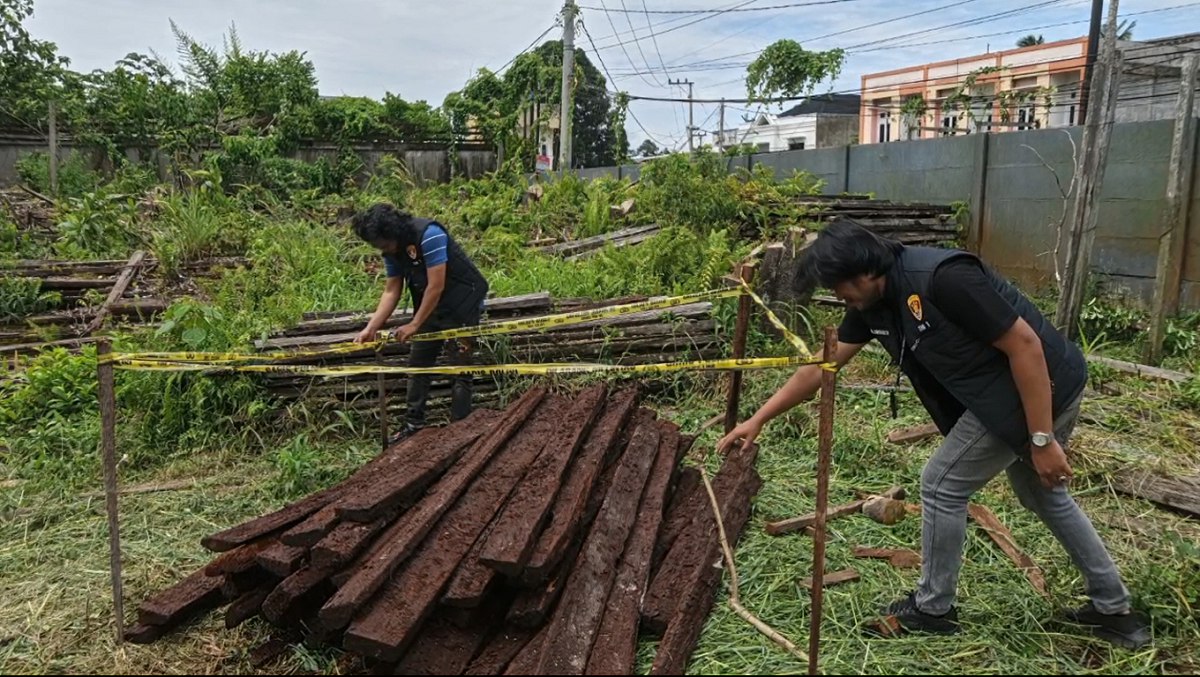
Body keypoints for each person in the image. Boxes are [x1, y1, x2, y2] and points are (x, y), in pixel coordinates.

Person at [717, 219, 1150, 649]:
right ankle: (1114, 609)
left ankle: (932, 608)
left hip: (1039, 385)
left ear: (864, 271)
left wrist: (1042, 439)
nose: (837, 296)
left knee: (941, 484)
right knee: (1041, 493)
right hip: (1005, 391)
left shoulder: (944, 278)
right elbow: (821, 367)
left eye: (837, 286)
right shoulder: (872, 304)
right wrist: (759, 418)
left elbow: (1025, 346)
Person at [350, 203, 489, 444]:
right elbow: (391, 291)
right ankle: (413, 424)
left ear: (393, 231)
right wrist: (371, 327)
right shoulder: (392, 252)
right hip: (430, 307)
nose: (383, 249)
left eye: (384, 244)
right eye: (377, 246)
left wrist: (414, 324)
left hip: (462, 303)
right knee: (418, 365)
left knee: (460, 368)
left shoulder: (429, 234)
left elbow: (436, 285)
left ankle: (460, 428)